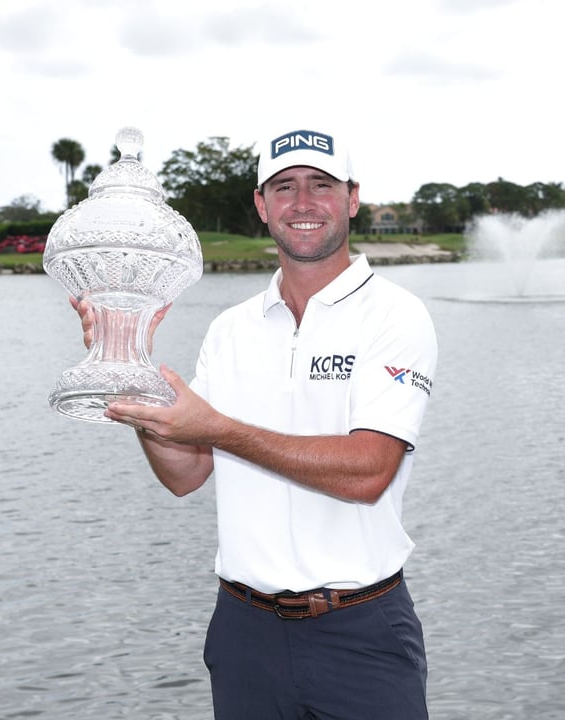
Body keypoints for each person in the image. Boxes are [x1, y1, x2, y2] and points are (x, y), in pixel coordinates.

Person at [73, 126, 438, 719]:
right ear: (262, 205)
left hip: (361, 630)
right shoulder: (232, 328)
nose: (302, 202)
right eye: (284, 187)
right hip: (245, 634)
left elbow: (368, 472)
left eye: (321, 185)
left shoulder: (395, 315)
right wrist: (128, 368)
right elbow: (185, 472)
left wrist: (217, 428)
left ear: (352, 198)